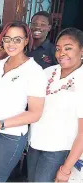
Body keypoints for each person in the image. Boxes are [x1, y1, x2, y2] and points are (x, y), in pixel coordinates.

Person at [0, 21, 46, 182]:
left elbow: (35, 113)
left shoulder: (34, 71)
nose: (11, 44)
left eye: (17, 39)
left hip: (10, 137)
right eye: (7, 39)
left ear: (26, 41)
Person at [28, 28, 83, 182]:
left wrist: (66, 169)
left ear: (82, 51)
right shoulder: (47, 72)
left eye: (68, 48)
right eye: (58, 49)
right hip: (35, 143)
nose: (61, 53)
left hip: (59, 150)